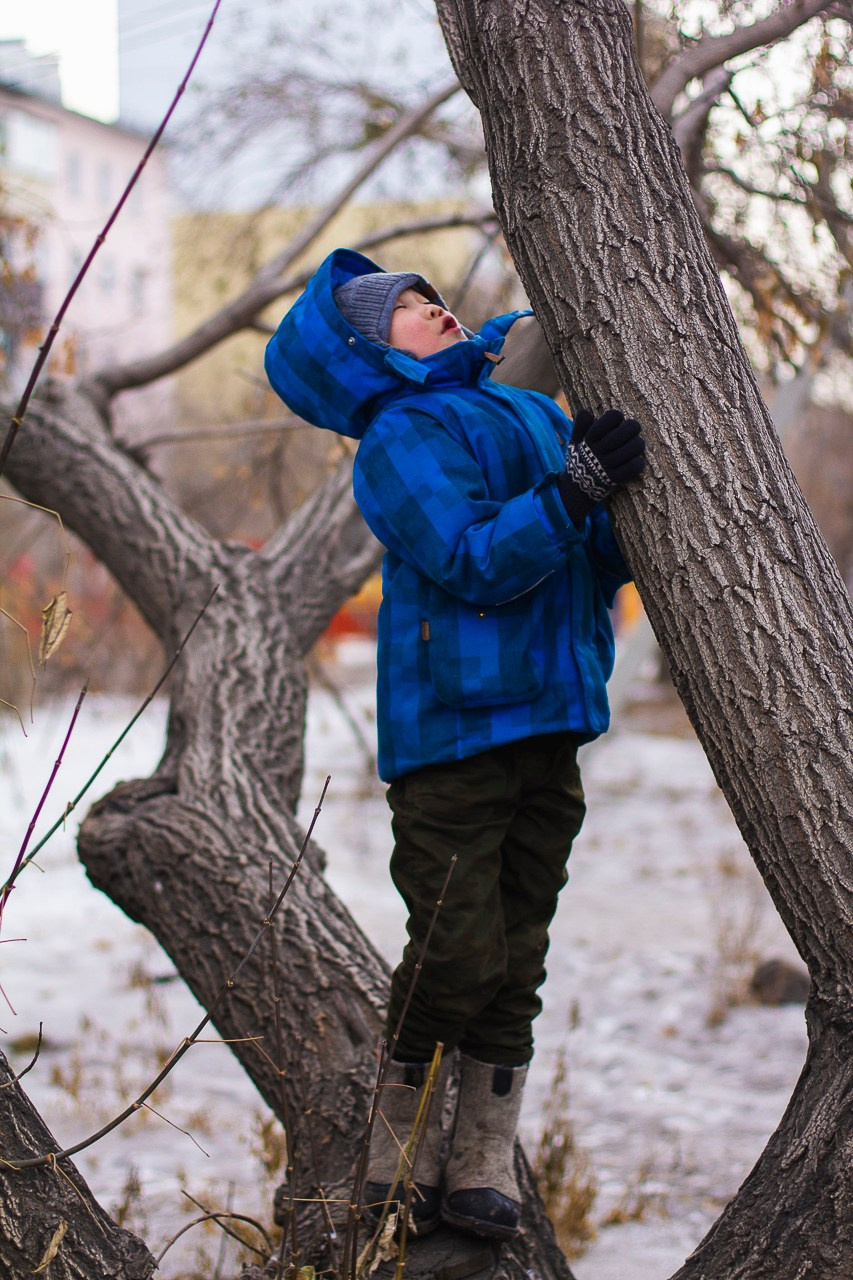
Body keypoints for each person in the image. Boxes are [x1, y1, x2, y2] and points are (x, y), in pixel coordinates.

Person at [265, 247, 645, 1241]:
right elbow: (473, 559)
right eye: (399, 308)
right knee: (456, 949)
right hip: (454, 736)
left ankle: (480, 1157)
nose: (431, 306)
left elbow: (586, 556)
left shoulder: (525, 409)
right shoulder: (398, 437)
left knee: (518, 953)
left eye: (427, 293)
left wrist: (613, 505)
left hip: (552, 717)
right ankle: (397, 1148)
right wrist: (571, 493)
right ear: (364, 352)